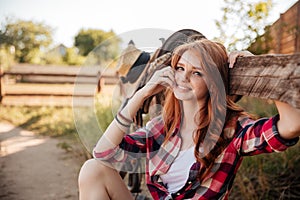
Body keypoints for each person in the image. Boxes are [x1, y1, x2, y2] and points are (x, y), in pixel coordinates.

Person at [78, 38, 300, 199]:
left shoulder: (232, 129)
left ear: (214, 82)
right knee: (93, 169)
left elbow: (292, 125)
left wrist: (260, 73)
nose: (183, 78)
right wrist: (141, 94)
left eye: (196, 72)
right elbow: (103, 153)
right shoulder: (160, 129)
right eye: (180, 68)